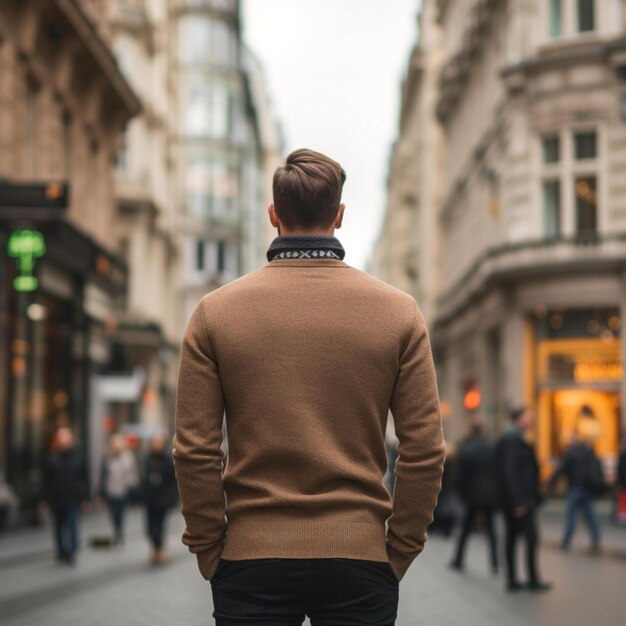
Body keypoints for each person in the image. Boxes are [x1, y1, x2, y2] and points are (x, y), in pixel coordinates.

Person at [173, 148, 445, 625]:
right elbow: (424, 450)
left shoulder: (215, 312)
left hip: (251, 558)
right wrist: (400, 548)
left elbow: (194, 449)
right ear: (339, 215)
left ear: (273, 214)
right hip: (359, 559)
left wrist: (208, 546)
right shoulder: (398, 312)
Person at [496, 406, 552, 592]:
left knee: (513, 538)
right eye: (528, 416)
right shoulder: (513, 440)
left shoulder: (516, 438)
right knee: (530, 538)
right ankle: (531, 580)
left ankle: (513, 580)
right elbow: (509, 472)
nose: (531, 420)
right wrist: (517, 501)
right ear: (518, 419)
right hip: (520, 501)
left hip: (518, 499)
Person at [449, 423, 500, 574]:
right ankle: (495, 563)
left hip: (472, 496)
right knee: (491, 531)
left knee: (465, 530)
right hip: (490, 496)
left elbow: (459, 476)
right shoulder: (493, 448)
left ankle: (458, 559)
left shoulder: (466, 449)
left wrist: (461, 495)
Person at [42, 426, 90, 565]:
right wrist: (45, 500)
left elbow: (84, 478)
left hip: (73, 498)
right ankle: (61, 551)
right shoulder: (51, 458)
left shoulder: (79, 457)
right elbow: (46, 481)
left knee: (72, 525)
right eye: (61, 437)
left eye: (66, 436)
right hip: (56, 498)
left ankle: (71, 551)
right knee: (58, 526)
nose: (64, 440)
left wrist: (86, 499)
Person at [548, 431, 602, 552]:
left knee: (571, 516)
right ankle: (596, 541)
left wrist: (551, 482)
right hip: (587, 488)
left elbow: (561, 469)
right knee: (589, 516)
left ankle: (566, 541)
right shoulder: (588, 451)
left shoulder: (571, 452)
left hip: (576, 487)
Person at [142, 433, 178, 565]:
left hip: (162, 500)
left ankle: (160, 550)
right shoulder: (148, 459)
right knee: (150, 527)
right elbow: (144, 479)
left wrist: (172, 498)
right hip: (150, 499)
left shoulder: (168, 460)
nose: (157, 445)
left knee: (160, 526)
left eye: (159, 442)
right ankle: (156, 548)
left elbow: (172, 480)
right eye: (155, 442)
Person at [98, 433, 138, 545]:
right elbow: (103, 475)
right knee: (113, 513)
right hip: (111, 490)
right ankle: (117, 530)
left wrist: (133, 488)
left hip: (123, 490)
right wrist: (101, 493)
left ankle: (119, 532)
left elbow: (132, 473)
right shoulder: (107, 457)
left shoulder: (128, 457)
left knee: (121, 513)